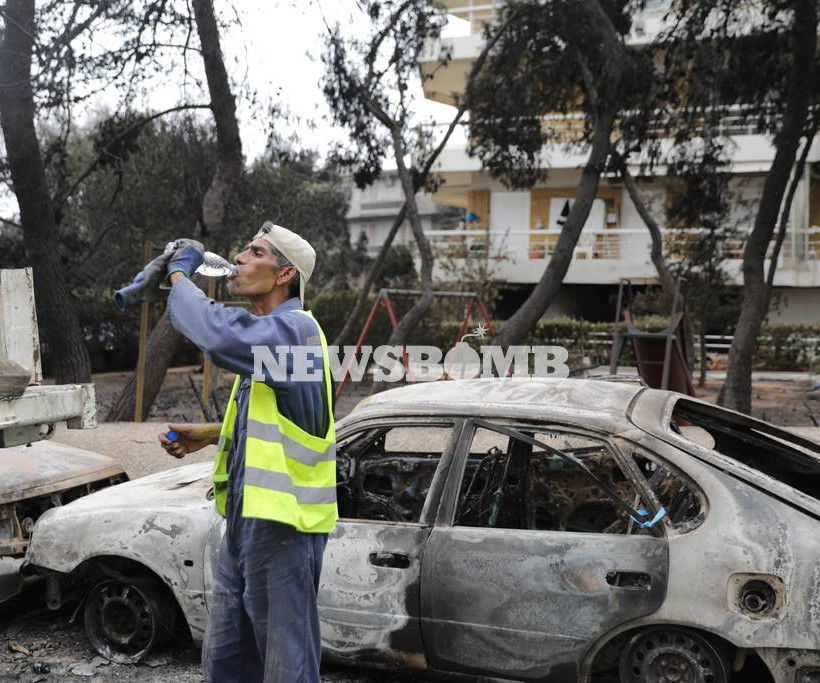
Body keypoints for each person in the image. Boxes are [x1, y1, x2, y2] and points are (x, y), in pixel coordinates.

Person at [157, 223, 336, 683]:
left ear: (284, 275)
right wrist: (214, 434)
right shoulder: (274, 335)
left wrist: (180, 277)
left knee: (286, 664)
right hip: (246, 523)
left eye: (254, 252)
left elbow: (217, 334)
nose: (238, 257)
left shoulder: (294, 332)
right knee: (229, 660)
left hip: (283, 530)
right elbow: (279, 420)